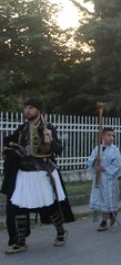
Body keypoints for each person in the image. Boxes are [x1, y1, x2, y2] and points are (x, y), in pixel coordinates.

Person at [2, 98, 75, 254]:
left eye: (31, 108)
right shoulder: (21, 129)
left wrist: (50, 139)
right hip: (24, 173)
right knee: (18, 206)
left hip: (42, 172)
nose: (27, 110)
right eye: (26, 108)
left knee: (49, 205)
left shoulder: (48, 127)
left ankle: (61, 232)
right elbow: (9, 146)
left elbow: (58, 149)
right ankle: (20, 242)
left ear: (38, 110)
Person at [86, 127, 121, 231]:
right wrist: (94, 163)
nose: (111, 138)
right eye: (109, 135)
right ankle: (108, 216)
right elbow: (89, 161)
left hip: (109, 179)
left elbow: (117, 165)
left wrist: (104, 168)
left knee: (108, 199)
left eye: (113, 136)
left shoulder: (115, 150)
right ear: (102, 136)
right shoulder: (97, 149)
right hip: (99, 179)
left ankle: (105, 220)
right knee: (101, 199)